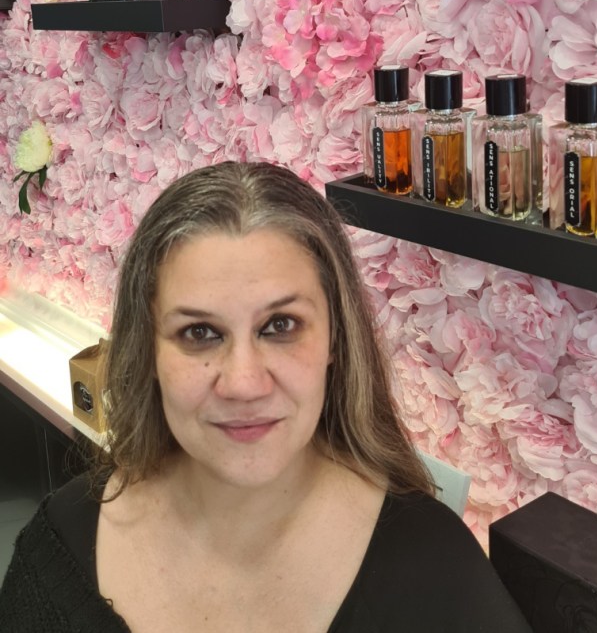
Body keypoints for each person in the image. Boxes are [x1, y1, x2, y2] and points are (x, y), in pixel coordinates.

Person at [0, 162, 532, 632]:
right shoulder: (60, 547)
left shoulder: (442, 574)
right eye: (199, 333)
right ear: (149, 351)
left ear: (335, 339)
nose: (243, 383)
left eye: (280, 325)